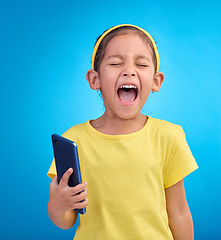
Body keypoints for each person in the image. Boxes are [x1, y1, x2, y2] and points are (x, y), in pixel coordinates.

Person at [47, 24, 198, 240]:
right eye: (116, 63)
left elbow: (179, 213)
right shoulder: (73, 140)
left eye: (141, 64)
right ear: (94, 79)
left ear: (156, 81)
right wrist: (57, 205)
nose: (128, 70)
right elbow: (66, 221)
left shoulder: (169, 136)